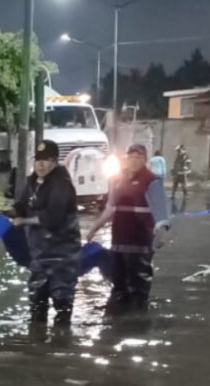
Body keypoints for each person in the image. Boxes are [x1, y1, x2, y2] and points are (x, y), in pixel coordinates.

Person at [85, 144, 171, 314]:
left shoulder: (152, 181)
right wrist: (93, 229)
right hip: (119, 240)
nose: (134, 160)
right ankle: (118, 316)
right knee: (119, 282)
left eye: (138, 157)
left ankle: (138, 318)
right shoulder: (118, 180)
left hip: (141, 241)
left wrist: (160, 237)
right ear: (126, 158)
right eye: (131, 156)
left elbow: (161, 215)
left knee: (139, 281)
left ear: (144, 160)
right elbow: (110, 208)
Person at [9, 139, 82, 328]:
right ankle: (38, 347)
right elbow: (22, 207)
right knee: (37, 303)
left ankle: (61, 346)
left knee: (61, 303)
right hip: (39, 256)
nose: (40, 164)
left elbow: (53, 218)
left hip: (62, 257)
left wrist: (23, 221)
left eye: (46, 160)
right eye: (38, 160)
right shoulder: (33, 182)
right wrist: (8, 213)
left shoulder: (62, 184)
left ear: (55, 162)